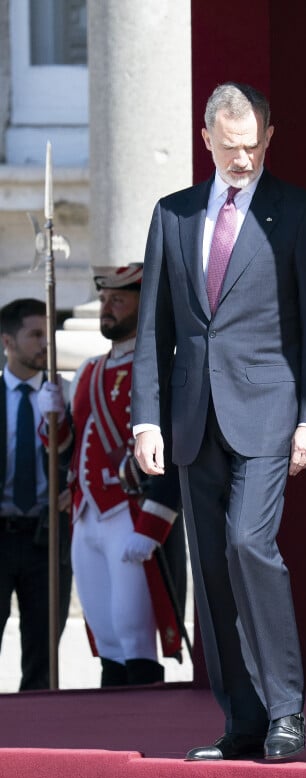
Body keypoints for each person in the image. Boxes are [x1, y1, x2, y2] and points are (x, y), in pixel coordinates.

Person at [132, 82, 306, 761]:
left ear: (268, 139)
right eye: (231, 147)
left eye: (254, 146)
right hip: (192, 420)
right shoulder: (173, 216)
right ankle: (242, 719)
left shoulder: (299, 213)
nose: (244, 159)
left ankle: (287, 708)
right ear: (207, 141)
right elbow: (152, 330)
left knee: (250, 545)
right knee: (215, 571)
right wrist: (146, 421)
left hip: (269, 415)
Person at [38, 264, 187, 687]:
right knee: (105, 633)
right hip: (86, 515)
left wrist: (154, 524)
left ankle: (142, 722)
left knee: (133, 631)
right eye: (104, 300)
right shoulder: (86, 370)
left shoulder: (159, 368)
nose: (107, 308)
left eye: (118, 300)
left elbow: (174, 447)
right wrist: (53, 419)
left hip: (130, 511)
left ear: (145, 306)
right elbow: (67, 448)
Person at [0, 298, 72, 690]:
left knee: (43, 652)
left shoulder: (67, 392)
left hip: (47, 538)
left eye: (50, 334)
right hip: (1, 531)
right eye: (36, 335)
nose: (46, 343)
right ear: (7, 341)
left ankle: (33, 741)